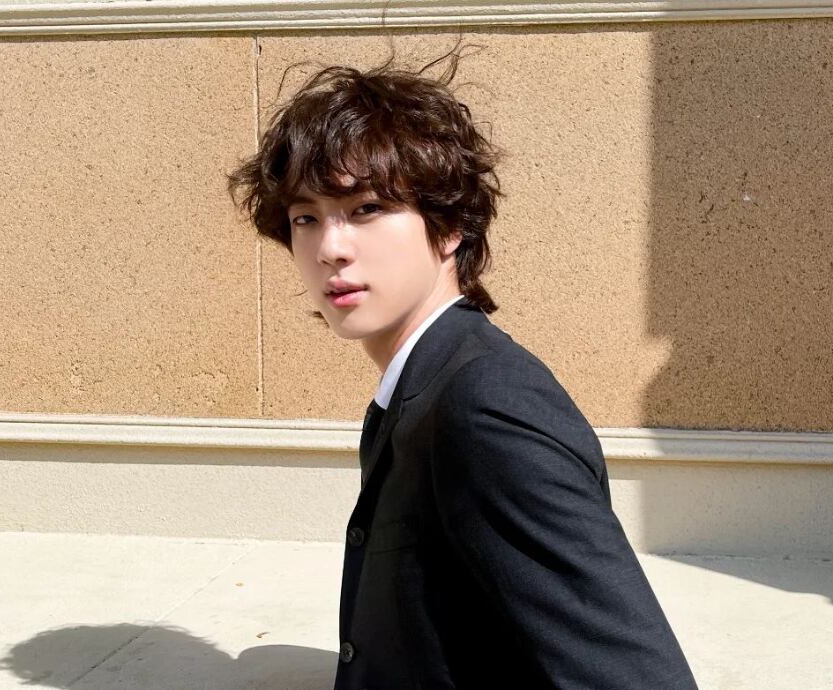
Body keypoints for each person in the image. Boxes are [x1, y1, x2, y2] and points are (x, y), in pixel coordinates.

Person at [228, 46, 699, 690]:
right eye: (305, 217)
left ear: (448, 227)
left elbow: (633, 676)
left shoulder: (483, 407)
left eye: (366, 209)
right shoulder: (423, 381)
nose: (330, 247)